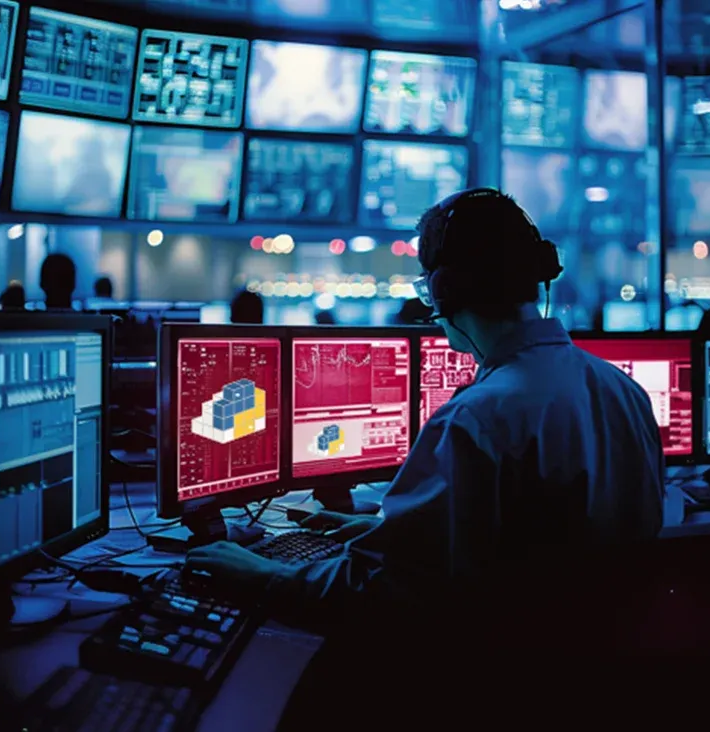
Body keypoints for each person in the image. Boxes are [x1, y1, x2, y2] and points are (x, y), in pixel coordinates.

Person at [187, 188, 666, 728]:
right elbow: (532, 536)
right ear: (540, 274)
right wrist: (376, 530)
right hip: (584, 684)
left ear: (444, 289)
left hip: (496, 688)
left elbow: (384, 593)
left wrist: (259, 573)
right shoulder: (620, 390)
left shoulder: (477, 419)